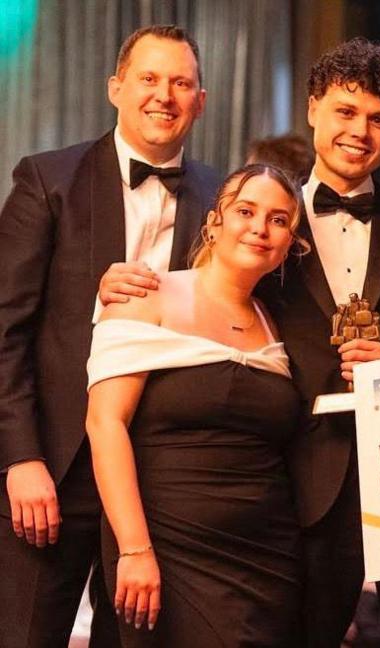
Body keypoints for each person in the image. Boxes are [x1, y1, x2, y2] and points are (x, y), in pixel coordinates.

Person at [99, 38, 380, 647]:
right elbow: (196, 297)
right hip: (291, 494)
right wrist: (113, 279)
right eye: (345, 112)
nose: (360, 132)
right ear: (313, 109)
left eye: (379, 120)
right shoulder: (261, 223)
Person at [0, 25, 219, 647]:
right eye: (149, 79)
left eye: (181, 83)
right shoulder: (48, 180)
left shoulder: (222, 199)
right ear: (115, 89)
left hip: (162, 476)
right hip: (53, 471)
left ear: (201, 101)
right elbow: (5, 328)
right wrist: (20, 458)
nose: (164, 96)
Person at [86, 163, 305, 645]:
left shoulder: (279, 322)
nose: (260, 228)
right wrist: (134, 549)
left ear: (291, 242)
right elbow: (105, 424)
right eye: (245, 210)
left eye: (279, 219)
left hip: (268, 554)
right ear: (214, 222)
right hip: (168, 545)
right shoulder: (144, 295)